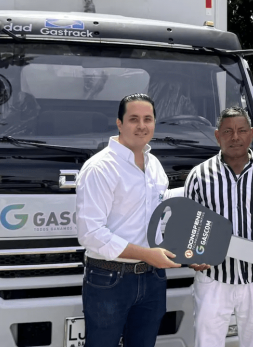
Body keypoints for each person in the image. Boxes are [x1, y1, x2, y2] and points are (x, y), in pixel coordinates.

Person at [75, 93, 179, 347]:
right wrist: (147, 254)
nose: (141, 126)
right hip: (109, 279)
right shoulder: (100, 168)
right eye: (134, 119)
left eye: (148, 119)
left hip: (153, 278)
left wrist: (192, 250)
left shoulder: (154, 165)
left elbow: (160, 212)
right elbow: (90, 233)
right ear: (119, 124)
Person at [184, 107, 253, 347]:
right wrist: (192, 254)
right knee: (207, 343)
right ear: (217, 135)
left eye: (241, 131)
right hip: (213, 278)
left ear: (251, 134)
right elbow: (188, 226)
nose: (235, 137)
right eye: (228, 131)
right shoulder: (198, 176)